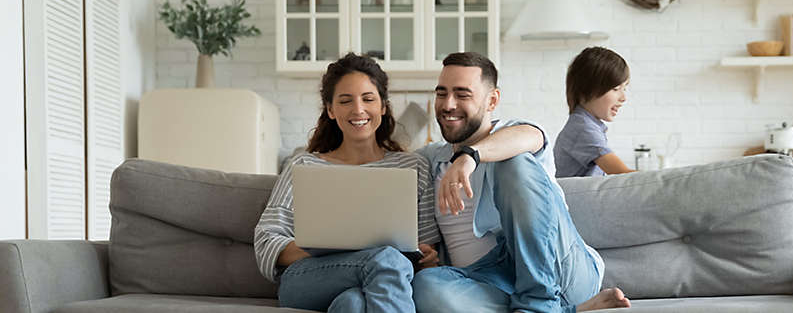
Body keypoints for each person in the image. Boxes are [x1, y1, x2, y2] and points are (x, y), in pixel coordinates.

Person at [410, 52, 631, 313]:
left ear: (492, 100)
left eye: (462, 95)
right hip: (490, 279)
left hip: (560, 270)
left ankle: (539, 302)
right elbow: (390, 163)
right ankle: (565, 310)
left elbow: (530, 136)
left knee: (513, 161)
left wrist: (470, 156)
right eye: (442, 93)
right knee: (425, 286)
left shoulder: (515, 133)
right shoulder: (431, 159)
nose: (448, 104)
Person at [252, 53, 440, 312]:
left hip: (382, 279)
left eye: (368, 99)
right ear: (330, 110)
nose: (358, 109)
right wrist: (328, 248)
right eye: (345, 100)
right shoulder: (303, 165)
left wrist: (428, 255)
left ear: (383, 107)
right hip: (308, 279)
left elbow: (427, 247)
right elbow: (266, 242)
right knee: (386, 260)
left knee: (352, 303)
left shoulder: (413, 167)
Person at [554, 46, 635, 178]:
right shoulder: (583, 129)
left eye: (624, 88)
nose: (623, 98)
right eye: (616, 89)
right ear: (586, 90)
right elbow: (623, 175)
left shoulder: (587, 125)